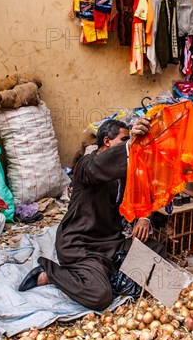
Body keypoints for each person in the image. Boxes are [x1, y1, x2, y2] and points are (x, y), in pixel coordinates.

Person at [18, 119, 165, 310]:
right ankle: (50, 273)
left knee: (156, 250)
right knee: (100, 296)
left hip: (110, 242)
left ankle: (112, 276)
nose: (131, 145)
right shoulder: (86, 165)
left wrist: (145, 217)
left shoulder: (124, 171)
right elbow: (98, 168)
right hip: (81, 244)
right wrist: (129, 146)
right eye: (124, 140)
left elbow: (143, 192)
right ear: (107, 142)